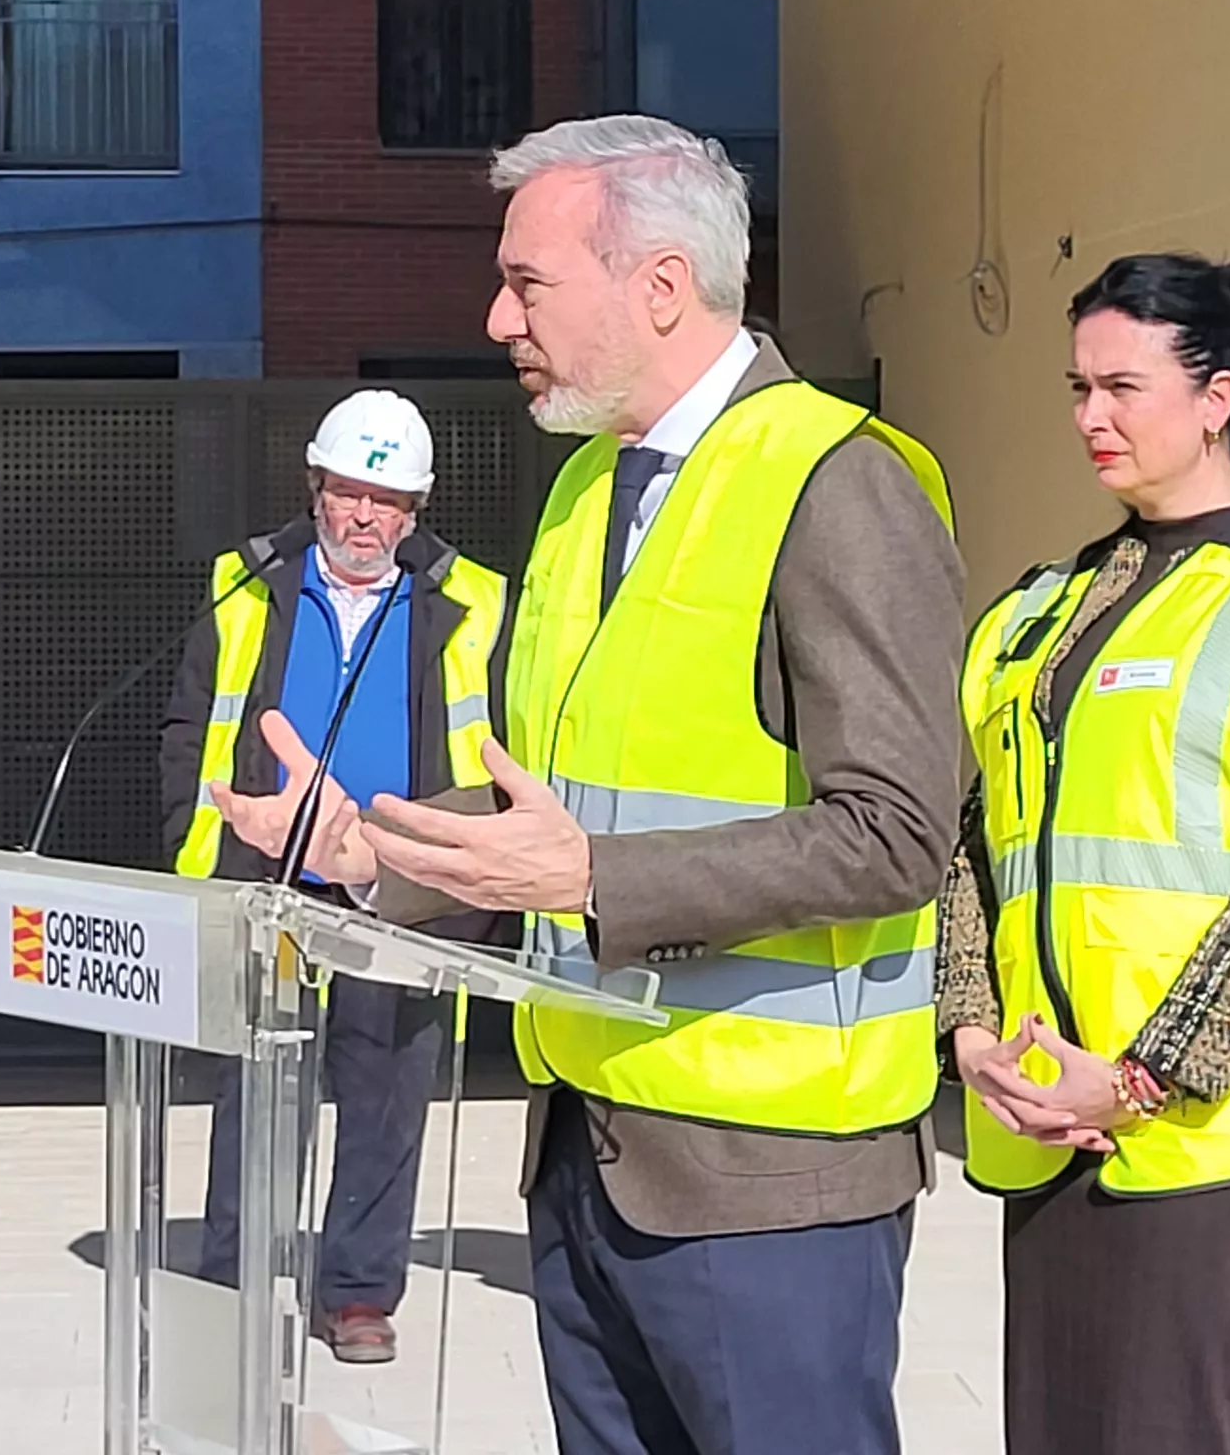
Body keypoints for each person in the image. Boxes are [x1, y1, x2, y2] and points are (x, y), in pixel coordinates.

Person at [210, 115, 967, 1455]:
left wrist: (596, 882)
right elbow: (545, 802)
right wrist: (367, 847)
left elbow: (899, 835)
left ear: (660, 286)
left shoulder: (840, 481)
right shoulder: (578, 495)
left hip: (769, 1183)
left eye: (529, 282)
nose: (498, 316)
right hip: (586, 1156)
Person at [935, 253, 1230, 1455]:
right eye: (1076, 387)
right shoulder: (1039, 605)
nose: (1089, 416)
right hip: (1041, 1117)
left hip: (1201, 1139)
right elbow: (971, 842)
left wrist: (1145, 1075)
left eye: (1122, 387)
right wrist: (969, 1030)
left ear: (1216, 397)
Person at [162, 390, 508, 1364]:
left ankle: (357, 1293)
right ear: (315, 489)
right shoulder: (247, 580)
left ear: (417, 506)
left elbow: (498, 751)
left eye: (386, 500)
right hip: (265, 883)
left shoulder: (476, 601)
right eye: (348, 493)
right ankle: (233, 1275)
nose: (364, 518)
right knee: (253, 1094)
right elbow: (191, 725)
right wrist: (201, 848)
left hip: (403, 890)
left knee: (387, 1092)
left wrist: (452, 877)